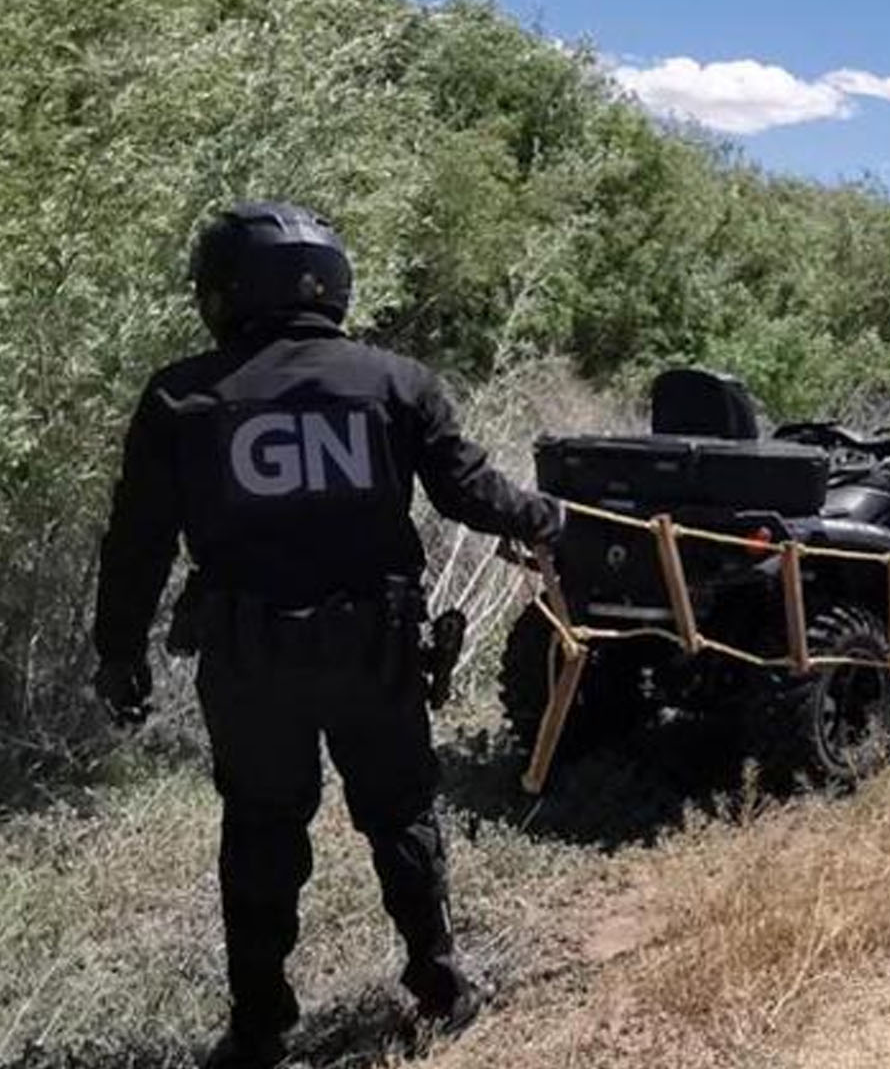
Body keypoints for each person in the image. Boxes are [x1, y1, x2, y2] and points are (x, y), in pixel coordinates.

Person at [91, 201, 564, 1069]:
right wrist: (546, 517)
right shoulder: (396, 382)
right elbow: (472, 495)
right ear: (333, 286)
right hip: (373, 653)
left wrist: (116, 651)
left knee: (263, 832)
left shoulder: (181, 394)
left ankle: (260, 1028)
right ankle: (438, 982)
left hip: (248, 664)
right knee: (403, 816)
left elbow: (137, 544)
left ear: (227, 289)